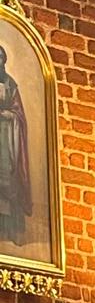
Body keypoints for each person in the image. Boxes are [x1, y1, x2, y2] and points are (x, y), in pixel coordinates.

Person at [0, 47, 32, 245]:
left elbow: (19, 114)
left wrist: (8, 115)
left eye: (0, 57)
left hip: (6, 138)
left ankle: (9, 229)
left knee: (8, 179)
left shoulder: (10, 84)